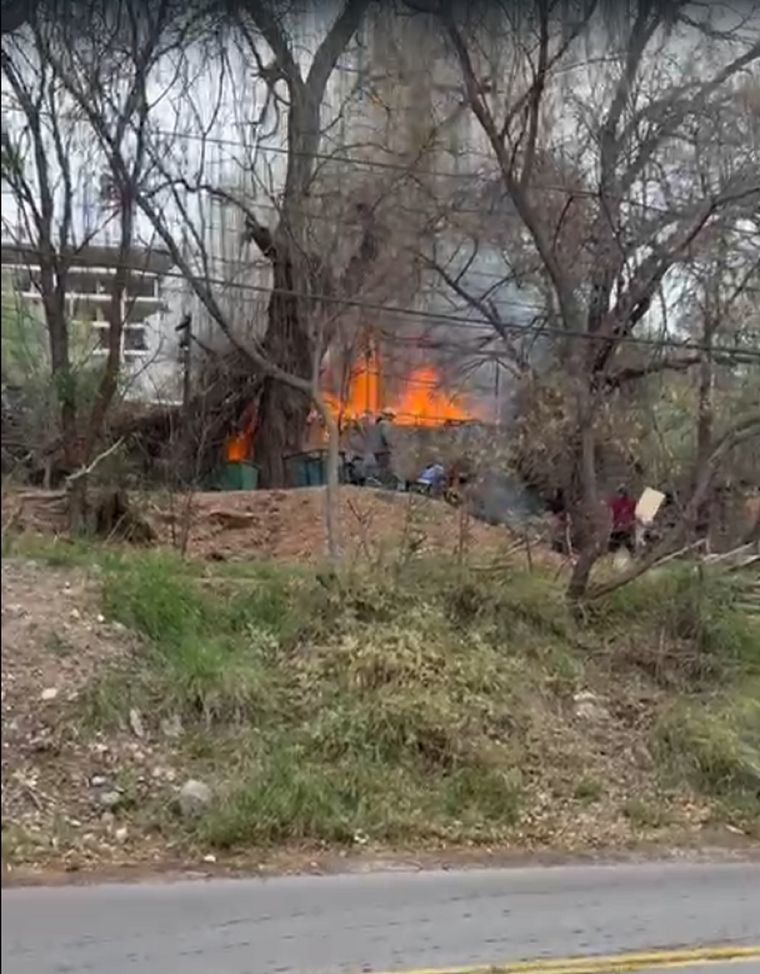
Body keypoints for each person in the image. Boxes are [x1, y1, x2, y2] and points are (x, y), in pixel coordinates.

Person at [608, 485, 636, 554]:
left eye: (619, 493)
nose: (618, 495)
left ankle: (634, 555)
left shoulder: (617, 504)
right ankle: (634, 556)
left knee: (614, 546)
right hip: (623, 528)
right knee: (628, 545)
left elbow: (633, 515)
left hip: (622, 528)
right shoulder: (630, 503)